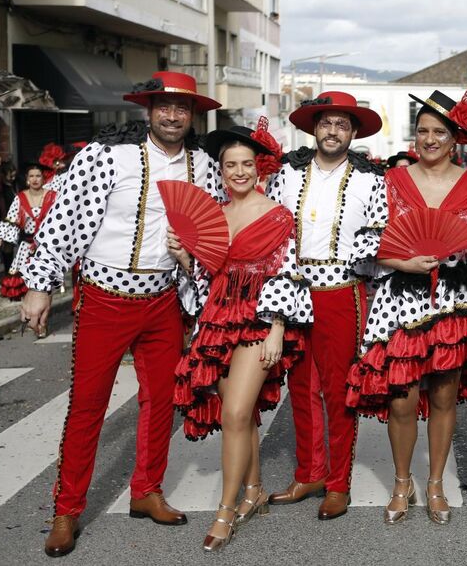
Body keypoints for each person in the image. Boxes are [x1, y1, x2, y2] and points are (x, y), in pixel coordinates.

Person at [20, 71, 221, 558]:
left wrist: (193, 265)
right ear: (148, 110)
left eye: (181, 108)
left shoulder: (204, 166)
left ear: (193, 115)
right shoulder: (106, 155)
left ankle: (146, 490)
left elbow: (211, 234)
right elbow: (63, 220)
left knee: (160, 401)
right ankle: (67, 510)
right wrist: (39, 287)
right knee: (87, 405)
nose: (172, 115)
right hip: (104, 298)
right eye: (163, 106)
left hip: (163, 298)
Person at [346, 88, 467, 525]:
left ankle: (436, 483)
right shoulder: (391, 181)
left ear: (455, 138)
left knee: (444, 397)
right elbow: (365, 243)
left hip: (454, 301)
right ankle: (402, 482)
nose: (429, 139)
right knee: (401, 401)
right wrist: (403, 261)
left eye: (439, 132)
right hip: (401, 300)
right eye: (423, 130)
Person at [169, 119, 311, 551]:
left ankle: (225, 511)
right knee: (241, 415)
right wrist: (185, 258)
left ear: (259, 167)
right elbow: (206, 279)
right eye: (230, 165)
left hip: (259, 320)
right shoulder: (213, 215)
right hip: (218, 319)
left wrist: (277, 329)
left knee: (233, 414)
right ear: (221, 170)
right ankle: (253, 492)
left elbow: (288, 271)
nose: (239, 172)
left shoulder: (279, 215)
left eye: (246, 164)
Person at [266, 91, 385, 520]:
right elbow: (272, 230)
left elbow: (379, 235)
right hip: (294, 291)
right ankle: (310, 472)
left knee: (338, 390)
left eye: (341, 125)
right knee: (300, 387)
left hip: (342, 291)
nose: (333, 131)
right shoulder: (286, 174)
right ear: (314, 128)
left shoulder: (372, 180)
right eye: (326, 123)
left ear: (353, 133)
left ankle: (338, 483)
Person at [0, 163, 56, 303]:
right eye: (31, 176)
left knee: (46, 287)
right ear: (27, 179)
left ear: (43, 178)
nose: (35, 179)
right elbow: (12, 220)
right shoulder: (20, 198)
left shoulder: (53, 196)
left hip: (47, 248)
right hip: (27, 248)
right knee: (27, 287)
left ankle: (44, 315)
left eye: (38, 176)